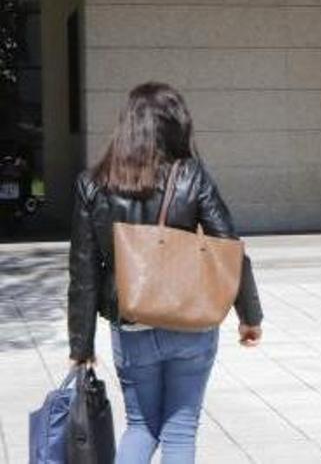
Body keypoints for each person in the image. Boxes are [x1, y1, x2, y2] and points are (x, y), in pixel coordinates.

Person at [67, 82, 264, 464]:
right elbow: (231, 248)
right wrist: (249, 317)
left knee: (140, 426)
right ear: (177, 125)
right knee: (180, 429)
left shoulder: (93, 183)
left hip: (132, 321)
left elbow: (83, 271)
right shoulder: (192, 175)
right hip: (190, 321)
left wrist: (81, 346)